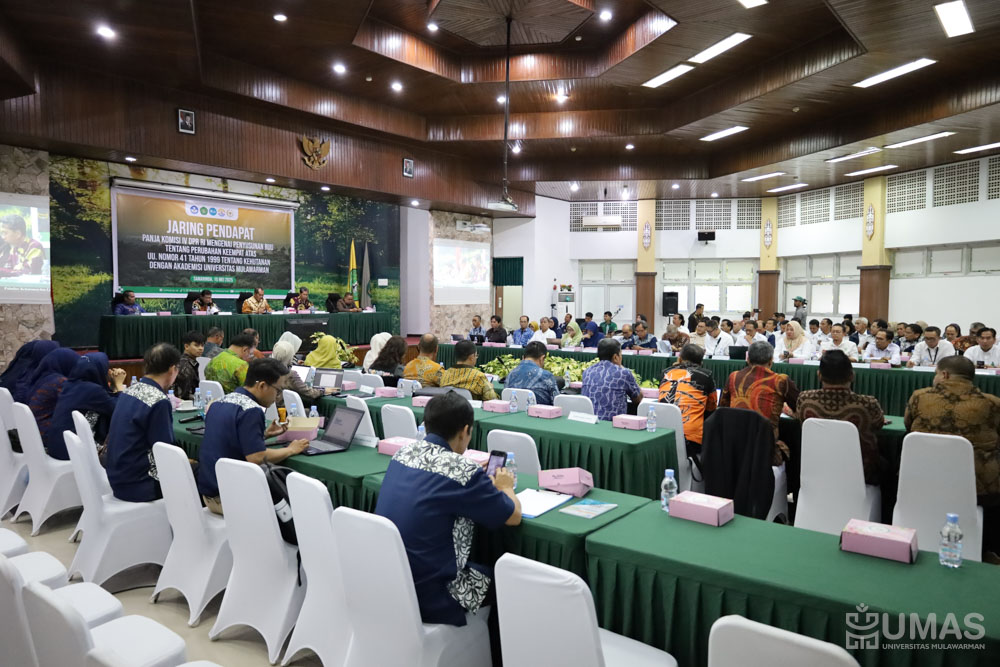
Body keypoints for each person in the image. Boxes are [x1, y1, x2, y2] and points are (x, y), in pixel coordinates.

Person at [375, 391, 520, 658]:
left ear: (427, 424)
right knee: (509, 583)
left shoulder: (403, 453)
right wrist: (505, 486)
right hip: (433, 591)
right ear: (465, 431)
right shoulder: (463, 471)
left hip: (389, 578)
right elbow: (513, 515)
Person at [905, 355, 1000, 559]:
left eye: (936, 374)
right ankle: (989, 551)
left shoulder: (919, 397)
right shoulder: (992, 404)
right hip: (978, 487)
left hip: (922, 478)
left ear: (945, 375)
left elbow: (909, 427)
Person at [197, 358, 309, 514]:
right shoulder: (252, 410)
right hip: (231, 500)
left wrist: (265, 434)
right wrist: (291, 449)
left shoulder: (219, 402)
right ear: (262, 385)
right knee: (293, 505)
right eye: (277, 390)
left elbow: (231, 439)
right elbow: (256, 457)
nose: (277, 397)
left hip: (209, 494)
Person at [795, 350, 883, 485]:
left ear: (819, 375)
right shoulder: (867, 404)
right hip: (860, 475)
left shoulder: (805, 399)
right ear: (852, 376)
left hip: (816, 470)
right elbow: (878, 424)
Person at [106, 343, 180, 502]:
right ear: (172, 369)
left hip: (117, 477)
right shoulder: (159, 400)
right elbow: (165, 450)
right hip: (140, 484)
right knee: (198, 474)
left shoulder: (130, 390)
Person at [720, 341, 800, 465]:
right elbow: (800, 408)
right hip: (765, 449)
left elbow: (723, 407)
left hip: (734, 446)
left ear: (748, 359)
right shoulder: (780, 380)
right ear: (771, 361)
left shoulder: (733, 376)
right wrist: (786, 409)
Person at [45, 353, 125, 460]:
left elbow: (107, 401)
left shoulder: (70, 384)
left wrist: (113, 386)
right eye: (106, 369)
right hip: (71, 452)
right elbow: (120, 409)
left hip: (57, 448)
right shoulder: (93, 390)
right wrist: (119, 385)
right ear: (99, 370)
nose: (109, 372)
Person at [659, 344, 717, 455]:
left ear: (680, 358)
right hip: (691, 439)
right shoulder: (706, 376)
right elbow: (711, 408)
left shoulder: (665, 373)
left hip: (661, 433)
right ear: (701, 362)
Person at [26, 348, 81, 443]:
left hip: (33, 431)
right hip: (46, 435)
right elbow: (76, 402)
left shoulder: (43, 377)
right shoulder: (59, 382)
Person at [582, 339, 641, 421]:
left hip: (588, 422)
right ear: (615, 357)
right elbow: (638, 399)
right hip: (613, 424)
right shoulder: (623, 373)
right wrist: (621, 366)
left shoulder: (587, 371)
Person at [272, 341, 337, 410]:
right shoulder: (290, 374)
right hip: (287, 412)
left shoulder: (268, 370)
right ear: (289, 356)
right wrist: (324, 391)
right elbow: (310, 393)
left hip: (273, 411)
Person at [504, 341, 560, 406]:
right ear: (542, 358)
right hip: (539, 412)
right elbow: (557, 402)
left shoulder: (510, 374)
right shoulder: (546, 376)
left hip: (514, 411)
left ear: (523, 357)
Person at [172, 330, 205, 400]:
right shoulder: (184, 365)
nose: (201, 348)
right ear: (186, 346)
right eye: (196, 345)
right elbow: (184, 395)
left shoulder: (190, 362)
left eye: (202, 345)